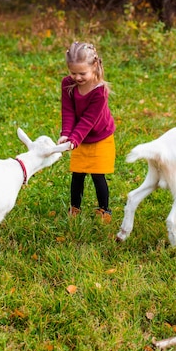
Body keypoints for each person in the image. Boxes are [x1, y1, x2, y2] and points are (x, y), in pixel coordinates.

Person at [58, 41, 116, 222]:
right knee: (78, 173)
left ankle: (104, 209)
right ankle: (75, 207)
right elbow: (68, 111)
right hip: (79, 137)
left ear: (95, 66)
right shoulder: (68, 84)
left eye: (82, 73)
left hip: (99, 137)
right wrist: (66, 133)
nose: (77, 77)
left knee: (98, 175)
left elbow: (89, 120)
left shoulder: (99, 91)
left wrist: (74, 138)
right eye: (73, 72)